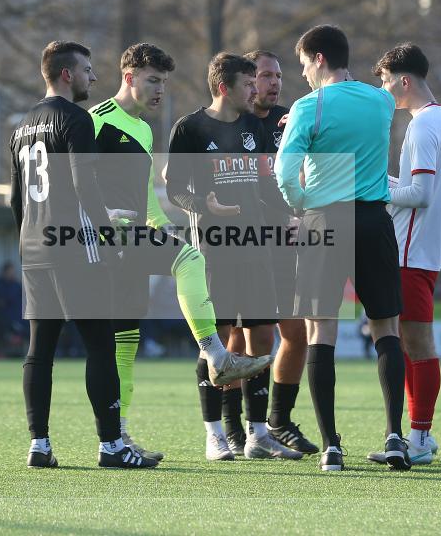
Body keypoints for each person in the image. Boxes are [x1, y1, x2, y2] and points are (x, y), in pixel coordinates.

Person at [89, 43, 271, 461]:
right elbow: (74, 178)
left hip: (134, 240)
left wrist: (161, 226)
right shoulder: (97, 121)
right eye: (153, 80)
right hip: (106, 244)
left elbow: (145, 195)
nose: (160, 90)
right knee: (190, 259)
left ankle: (118, 437)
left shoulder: (143, 130)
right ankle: (216, 353)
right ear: (129, 77)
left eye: (164, 82)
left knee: (126, 342)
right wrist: (98, 215)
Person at [11, 40, 154, 469]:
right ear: (67, 74)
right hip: (75, 247)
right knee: (101, 345)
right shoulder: (76, 119)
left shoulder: (22, 125)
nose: (93, 77)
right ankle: (112, 447)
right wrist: (107, 233)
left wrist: (29, 241)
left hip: (34, 248)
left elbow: (16, 200)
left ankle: (39, 445)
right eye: (88, 70)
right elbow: (82, 183)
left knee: (40, 351)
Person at [275, 25, 408, 471]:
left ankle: (331, 445)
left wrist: (300, 204)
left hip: (324, 221)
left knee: (321, 331)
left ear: (318, 59)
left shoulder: (307, 107)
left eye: (303, 65)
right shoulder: (381, 101)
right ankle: (394, 437)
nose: (303, 75)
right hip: (373, 220)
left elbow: (284, 173)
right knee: (386, 328)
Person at [167, 52, 301, 462]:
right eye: (248, 84)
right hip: (213, 252)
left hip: (256, 248)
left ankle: (257, 434)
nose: (255, 90)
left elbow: (266, 185)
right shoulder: (189, 128)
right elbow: (174, 188)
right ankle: (214, 436)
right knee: (219, 342)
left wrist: (293, 213)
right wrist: (204, 207)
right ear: (225, 87)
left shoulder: (252, 127)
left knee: (262, 337)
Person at [218, 51, 318, 457]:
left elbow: (302, 171)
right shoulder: (232, 123)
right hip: (244, 244)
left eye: (277, 75)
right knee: (238, 337)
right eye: (264, 76)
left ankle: (278, 421)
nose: (273, 83)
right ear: (245, 80)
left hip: (285, 244)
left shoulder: (288, 120)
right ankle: (232, 425)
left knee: (296, 333)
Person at [364, 43, 441, 466]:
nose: (384, 90)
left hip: (410, 250)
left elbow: (419, 195)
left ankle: (418, 438)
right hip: (424, 248)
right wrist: (384, 181)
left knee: (417, 343)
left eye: (386, 82)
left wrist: (378, 190)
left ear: (404, 81)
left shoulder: (422, 127)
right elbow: (419, 188)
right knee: (408, 341)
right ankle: (422, 432)